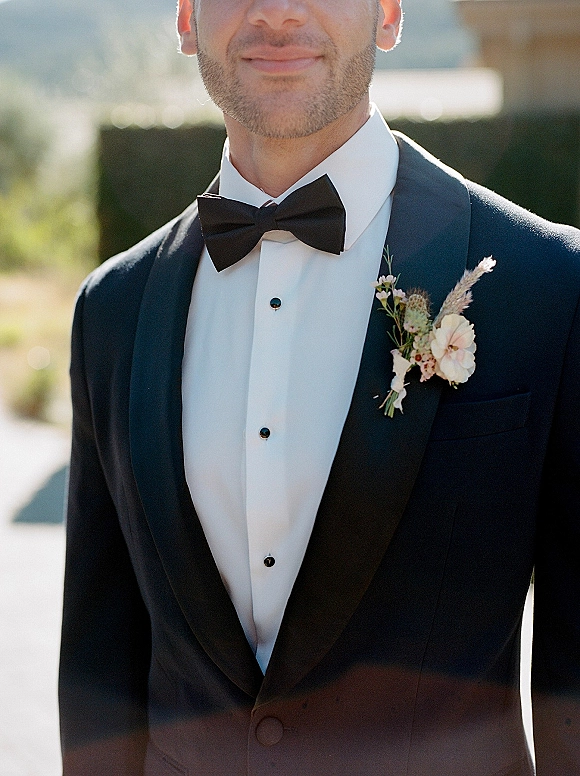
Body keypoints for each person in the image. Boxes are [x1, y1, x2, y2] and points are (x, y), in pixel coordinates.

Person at [59, 0, 580, 774]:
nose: (277, 11)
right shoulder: (113, 310)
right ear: (185, 17)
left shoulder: (551, 286)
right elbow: (100, 674)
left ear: (390, 14)